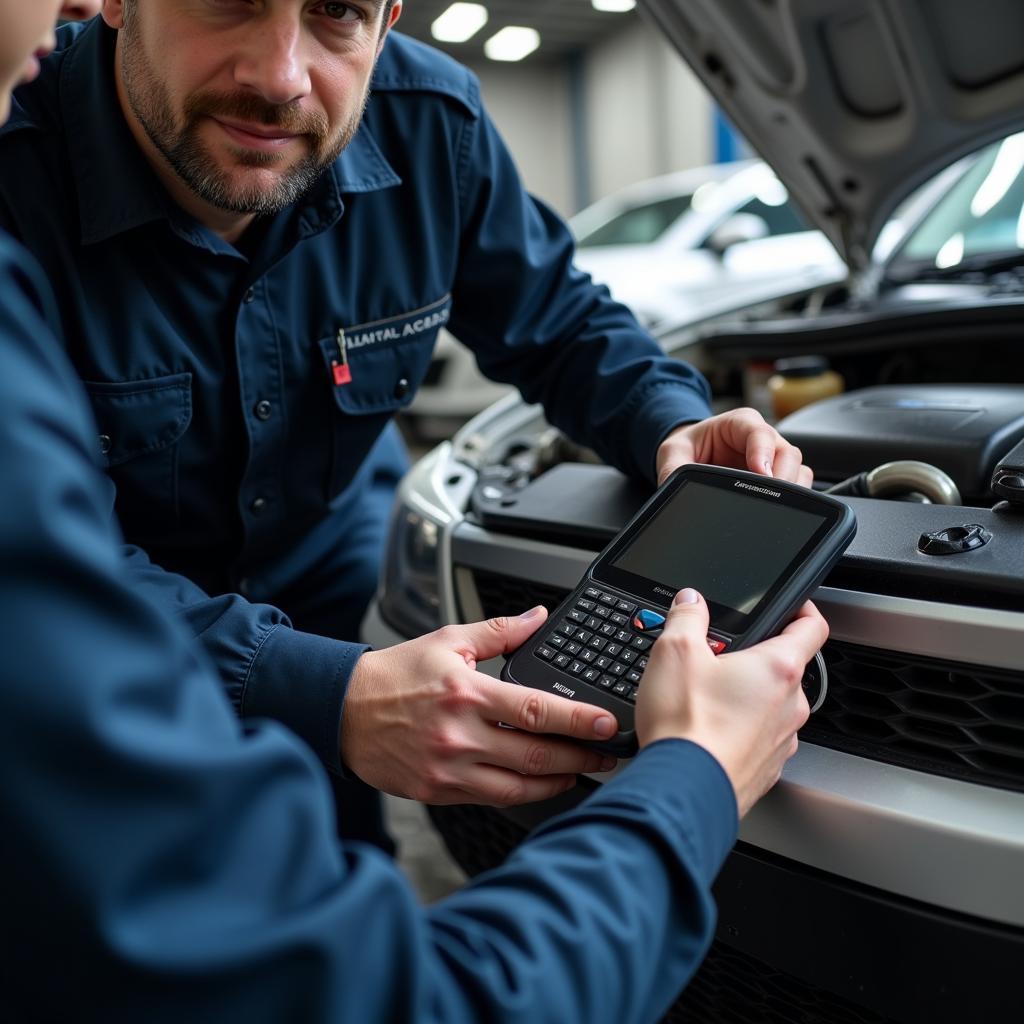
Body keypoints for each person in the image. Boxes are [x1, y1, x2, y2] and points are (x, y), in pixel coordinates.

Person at [0, 0, 814, 851]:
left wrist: (671, 422)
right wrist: (328, 695)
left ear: (387, 20)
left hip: (324, 574)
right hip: (82, 645)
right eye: (227, 0)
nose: (279, 76)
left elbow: (562, 322)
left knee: (339, 869)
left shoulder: (434, 127)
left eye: (336, 12)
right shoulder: (17, 158)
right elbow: (40, 575)